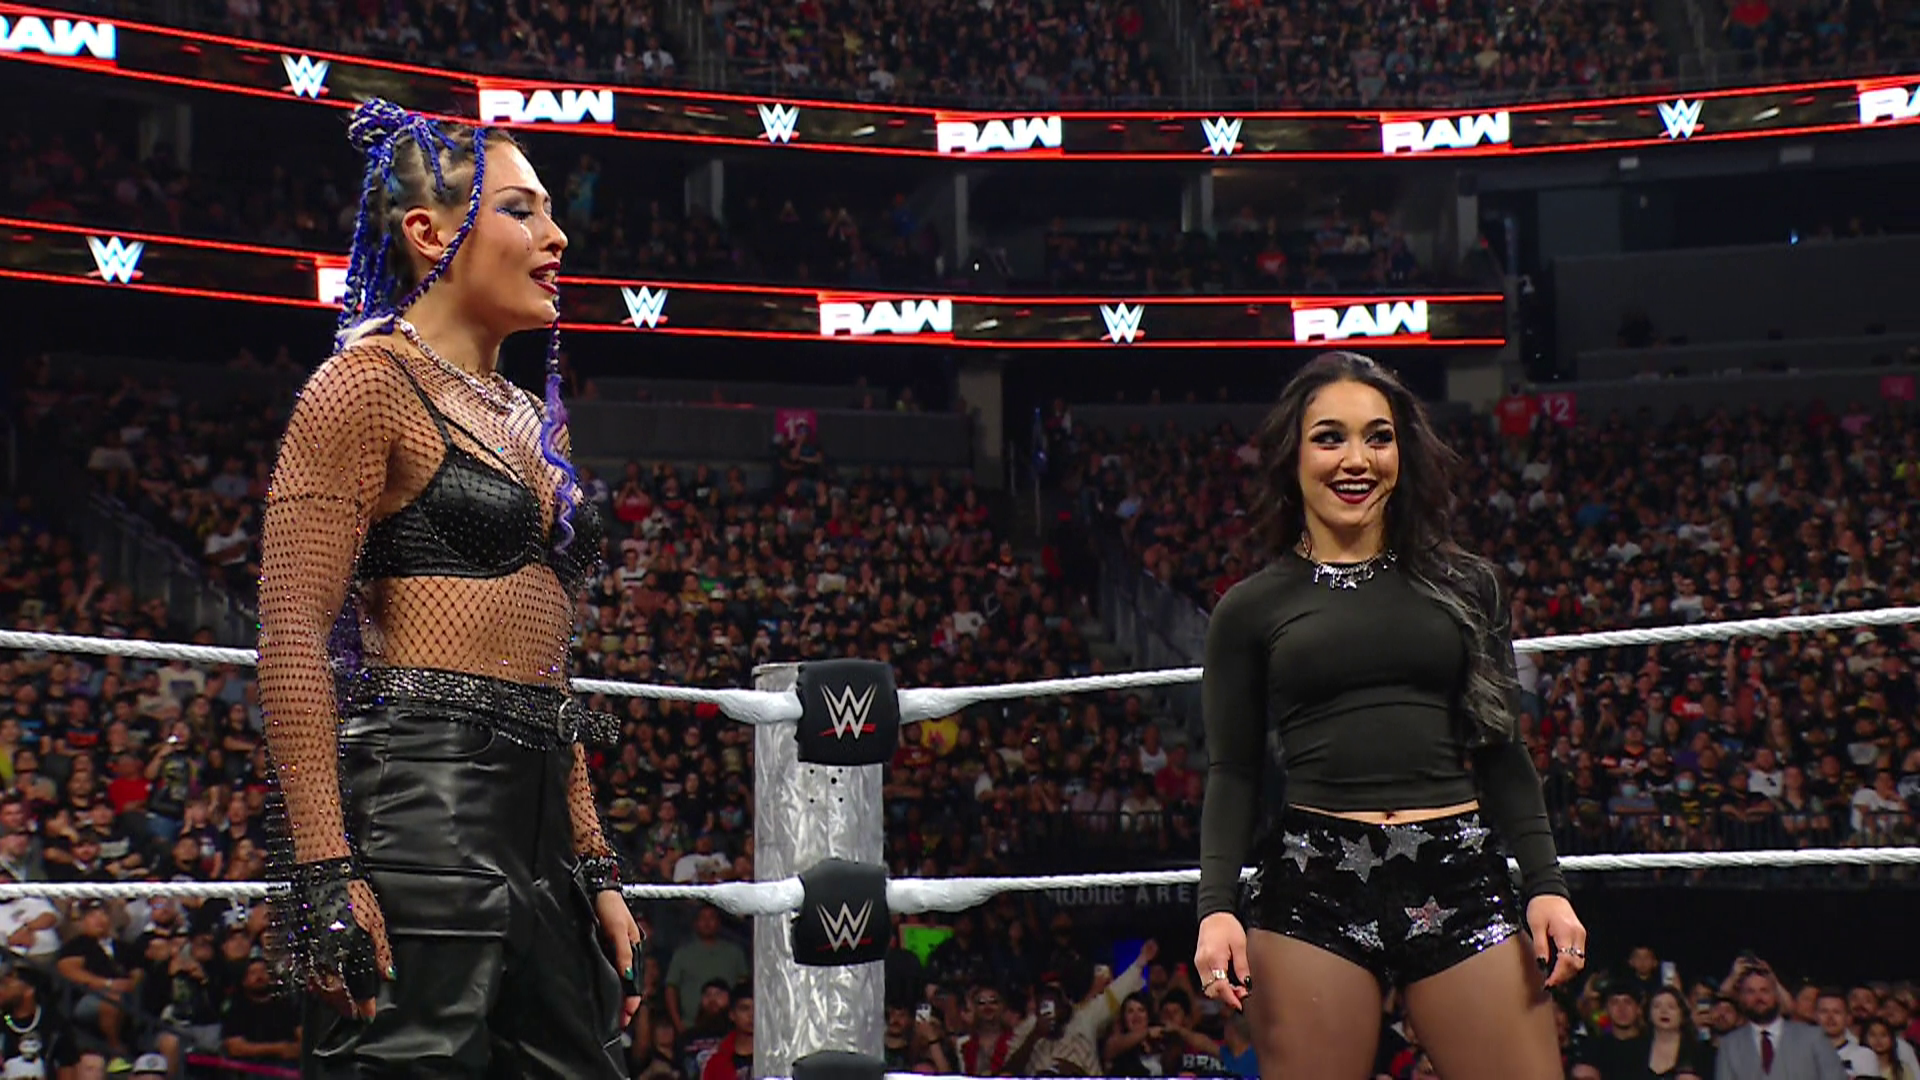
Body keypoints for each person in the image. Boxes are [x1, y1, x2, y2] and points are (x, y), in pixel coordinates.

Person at [256, 97, 641, 1078]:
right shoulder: (363, 384)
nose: (557, 235)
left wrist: (592, 859)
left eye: (550, 211)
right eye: (521, 210)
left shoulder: (529, 417)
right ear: (431, 235)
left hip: (542, 822)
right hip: (420, 807)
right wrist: (325, 872)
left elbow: (549, 661)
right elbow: (294, 631)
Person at [1192, 351, 1588, 1078]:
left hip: (1458, 873)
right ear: (1292, 456)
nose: (1357, 459)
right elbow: (1234, 770)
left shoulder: (1467, 585)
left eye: (1378, 437)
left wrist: (1547, 886)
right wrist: (1215, 907)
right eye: (1330, 438)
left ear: (1403, 454)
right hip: (1313, 883)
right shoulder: (1250, 609)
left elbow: (1502, 749)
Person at [1713, 969, 1846, 1080]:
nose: (1758, 998)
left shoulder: (1813, 1037)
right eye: (1751, 992)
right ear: (1742, 998)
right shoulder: (1729, 1045)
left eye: (1764, 990)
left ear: (1776, 995)